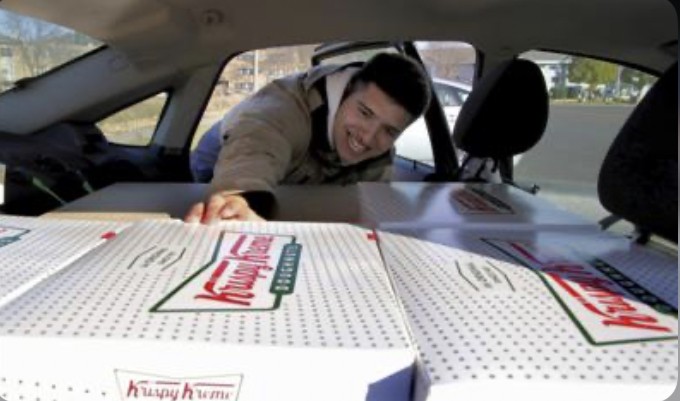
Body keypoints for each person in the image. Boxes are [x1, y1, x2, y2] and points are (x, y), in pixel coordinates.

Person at [185, 52, 431, 224]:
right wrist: (240, 202)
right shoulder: (283, 109)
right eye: (365, 113)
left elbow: (372, 209)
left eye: (389, 130)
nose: (368, 137)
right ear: (345, 92)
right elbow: (253, 152)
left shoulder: (381, 153)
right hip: (220, 157)